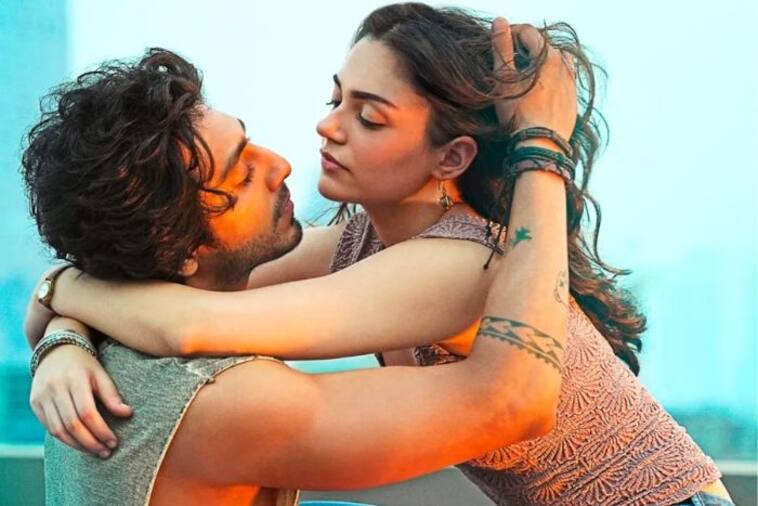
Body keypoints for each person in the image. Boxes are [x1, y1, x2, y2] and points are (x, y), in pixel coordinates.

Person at [25, 4, 732, 506]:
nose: (325, 128)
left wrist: (64, 295)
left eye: (368, 116)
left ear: (451, 157)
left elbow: (190, 324)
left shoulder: (462, 264)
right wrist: (63, 337)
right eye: (336, 99)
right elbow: (174, 274)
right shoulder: (363, 244)